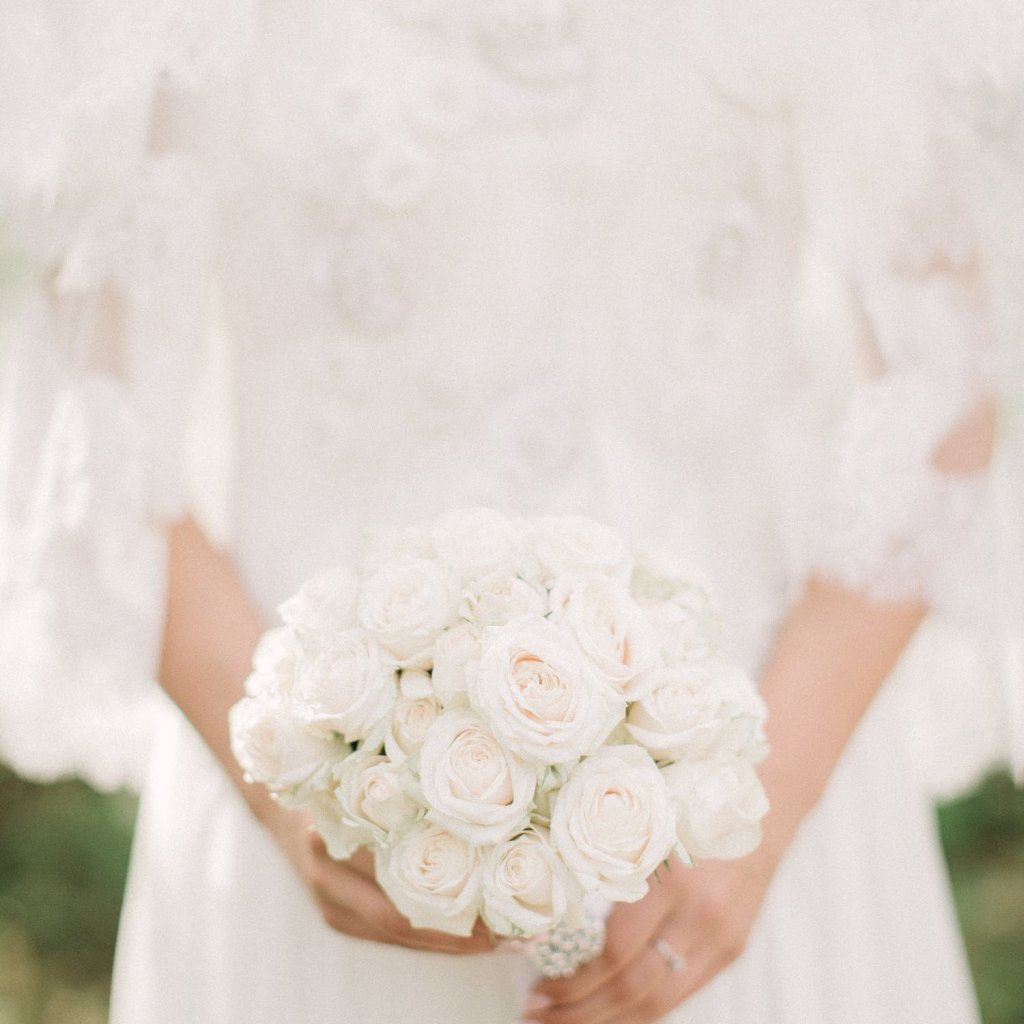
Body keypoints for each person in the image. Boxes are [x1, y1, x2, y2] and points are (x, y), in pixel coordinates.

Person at [0, 2, 1020, 1022]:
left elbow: (945, 381)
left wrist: (754, 818)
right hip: (320, 812)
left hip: (749, 805)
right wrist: (292, 796)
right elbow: (94, 426)